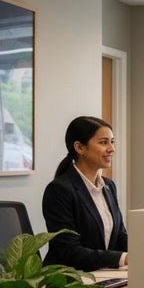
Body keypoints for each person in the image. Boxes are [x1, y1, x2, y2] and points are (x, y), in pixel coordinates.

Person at [42, 116, 128, 271]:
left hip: (103, 274)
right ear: (79, 148)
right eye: (103, 142)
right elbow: (68, 251)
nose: (111, 148)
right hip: (68, 280)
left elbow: (120, 237)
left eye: (112, 142)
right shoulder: (59, 190)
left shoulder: (109, 186)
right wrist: (122, 258)